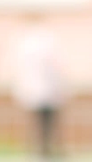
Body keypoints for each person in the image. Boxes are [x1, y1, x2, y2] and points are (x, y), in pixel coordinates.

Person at [13, 14, 64, 161]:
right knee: (43, 120)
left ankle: (42, 148)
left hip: (42, 87)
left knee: (42, 120)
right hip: (41, 86)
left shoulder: (29, 42)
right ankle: (42, 148)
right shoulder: (42, 41)